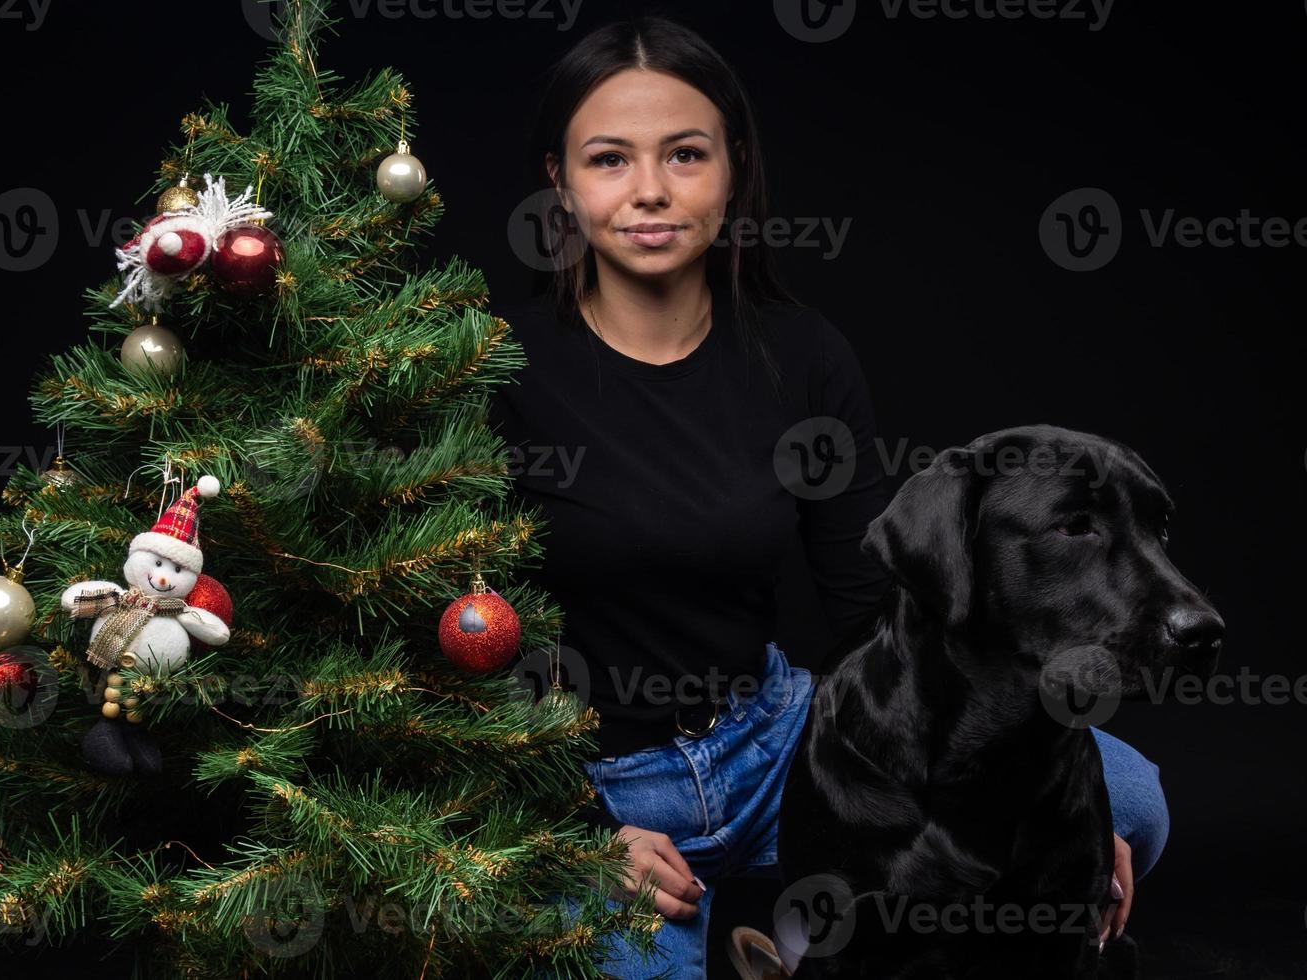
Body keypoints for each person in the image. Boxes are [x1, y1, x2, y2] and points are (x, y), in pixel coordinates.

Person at [487, 14, 1170, 978]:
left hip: (774, 744)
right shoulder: (502, 369)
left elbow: (868, 606)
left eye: (685, 154)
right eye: (609, 159)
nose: (650, 190)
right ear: (559, 180)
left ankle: (789, 924)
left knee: (1125, 792)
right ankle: (745, 944)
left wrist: (1061, 828)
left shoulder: (802, 356)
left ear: (733, 168)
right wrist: (576, 828)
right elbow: (468, 647)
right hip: (599, 776)